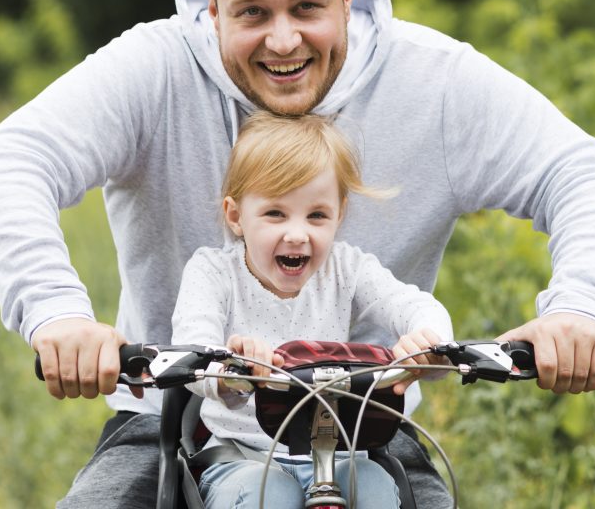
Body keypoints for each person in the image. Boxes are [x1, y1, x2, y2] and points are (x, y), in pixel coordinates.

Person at [0, 0, 595, 506]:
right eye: (253, 13)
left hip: (365, 422)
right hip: (172, 409)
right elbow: (9, 163)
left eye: (307, 9)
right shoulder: (154, 70)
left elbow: (580, 173)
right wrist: (58, 314)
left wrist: (576, 308)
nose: (283, 42)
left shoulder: (436, 83)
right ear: (212, 10)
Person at [171, 112, 453, 508]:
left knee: (374, 486)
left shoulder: (347, 268)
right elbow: (192, 345)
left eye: (317, 215)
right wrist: (229, 370)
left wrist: (429, 340)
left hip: (338, 453)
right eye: (275, 213)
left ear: (339, 213)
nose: (298, 234)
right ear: (236, 216)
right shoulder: (214, 273)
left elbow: (412, 303)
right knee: (267, 496)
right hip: (243, 456)